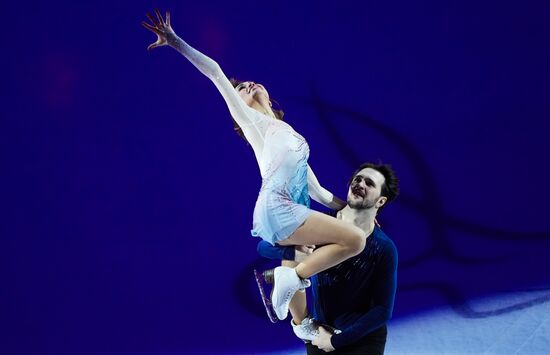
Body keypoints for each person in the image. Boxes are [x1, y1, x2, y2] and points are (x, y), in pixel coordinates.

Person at [142, 9, 368, 320]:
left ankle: (301, 322)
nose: (247, 87)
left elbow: (317, 191)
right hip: (278, 209)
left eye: (248, 83)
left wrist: (356, 209)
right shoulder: (253, 124)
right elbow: (215, 72)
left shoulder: (288, 133)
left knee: (300, 311)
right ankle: (288, 277)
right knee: (354, 239)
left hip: (290, 209)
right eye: (241, 91)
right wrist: (175, 40)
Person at [258, 163, 399, 354]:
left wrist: (336, 341)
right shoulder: (321, 227)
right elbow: (264, 246)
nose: (360, 184)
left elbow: (382, 310)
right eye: (357, 179)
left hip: (361, 338)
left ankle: (289, 281)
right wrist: (294, 252)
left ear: (380, 201)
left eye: (369, 183)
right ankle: (298, 311)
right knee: (290, 250)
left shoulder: (384, 247)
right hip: (318, 331)